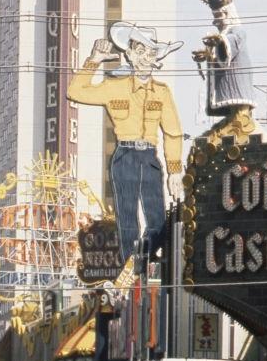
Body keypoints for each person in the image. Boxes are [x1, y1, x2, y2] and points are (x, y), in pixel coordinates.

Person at [68, 22, 185, 264]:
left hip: (150, 158)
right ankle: (130, 268)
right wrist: (94, 59)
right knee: (127, 219)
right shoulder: (114, 87)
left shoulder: (162, 92)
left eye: (150, 52)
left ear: (156, 58)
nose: (144, 57)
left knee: (158, 220)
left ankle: (145, 259)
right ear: (129, 54)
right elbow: (76, 92)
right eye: (139, 51)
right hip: (125, 157)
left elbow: (172, 132)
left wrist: (174, 171)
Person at [191, 0, 262, 147]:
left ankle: (240, 120)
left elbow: (229, 45)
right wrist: (207, 54)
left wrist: (217, 43)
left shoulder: (237, 32)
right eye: (214, 17)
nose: (216, 21)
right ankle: (232, 120)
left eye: (219, 16)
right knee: (227, 123)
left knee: (240, 118)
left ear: (228, 13)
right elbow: (220, 53)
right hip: (228, 84)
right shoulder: (223, 34)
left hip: (239, 84)